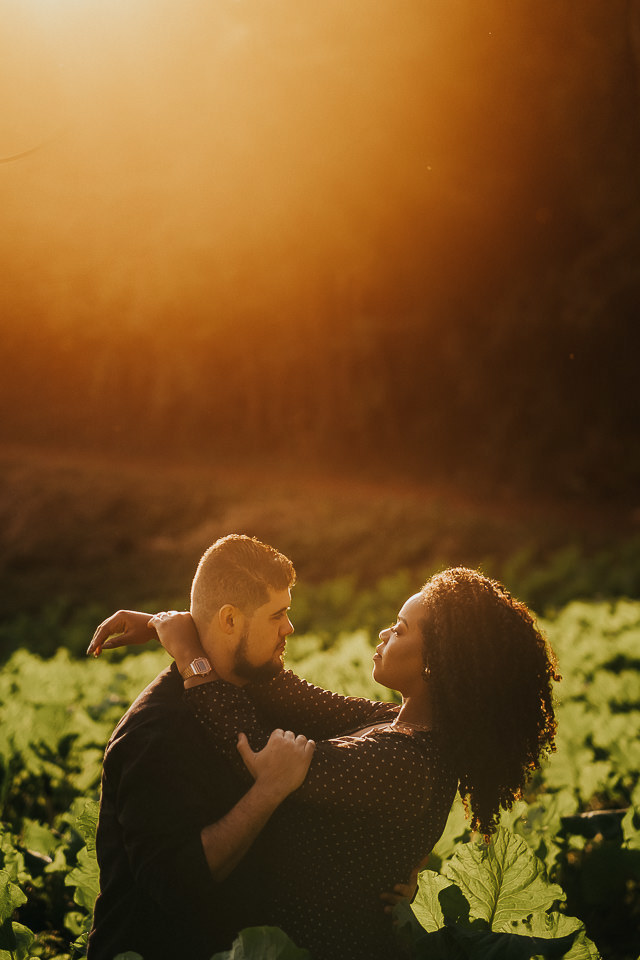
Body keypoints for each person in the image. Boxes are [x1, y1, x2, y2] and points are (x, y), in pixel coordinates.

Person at [90, 548, 560, 960]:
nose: (383, 633)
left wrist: (192, 655)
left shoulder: (405, 761)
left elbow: (256, 753)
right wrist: (182, 627)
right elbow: (291, 693)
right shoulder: (395, 723)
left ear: (436, 663)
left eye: (398, 630)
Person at [86, 535, 405, 960]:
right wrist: (267, 792)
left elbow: (395, 726)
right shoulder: (155, 731)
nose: (289, 627)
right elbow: (175, 885)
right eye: (278, 615)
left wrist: (405, 856)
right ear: (230, 620)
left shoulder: (259, 690)